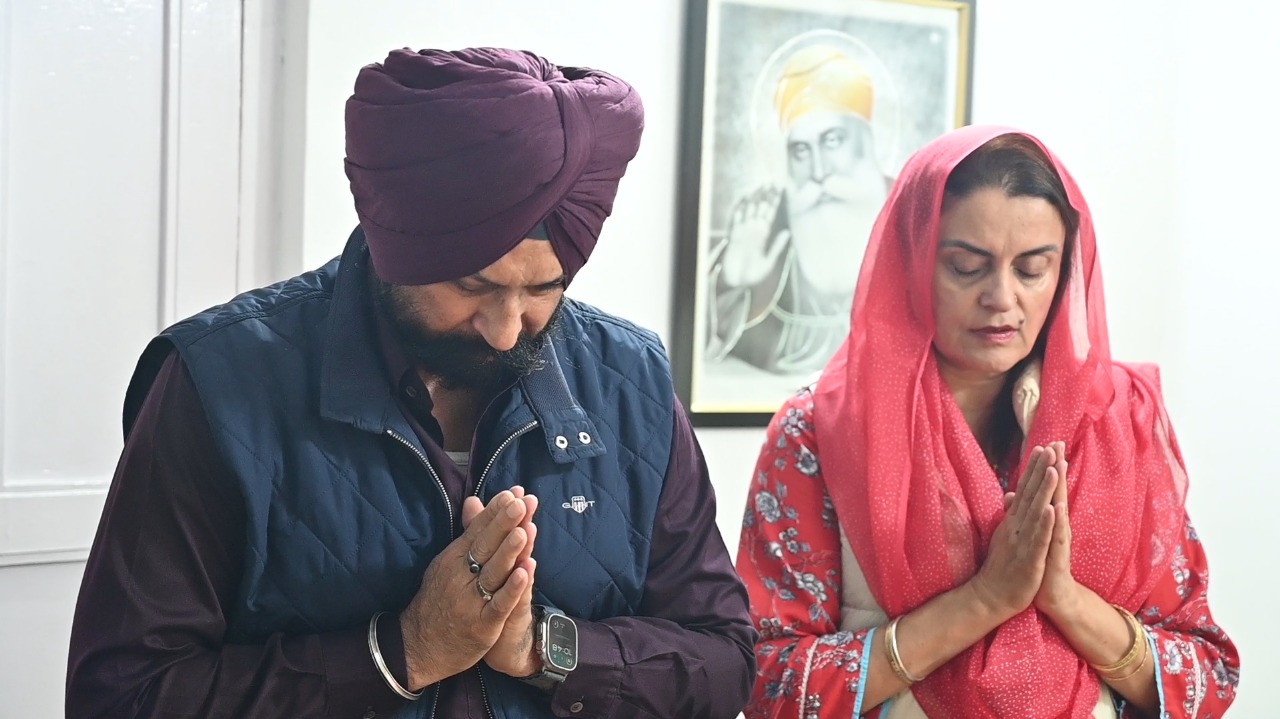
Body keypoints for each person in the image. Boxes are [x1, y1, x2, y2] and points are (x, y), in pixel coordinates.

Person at [66, 47, 755, 719]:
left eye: (546, 288)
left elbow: (725, 661)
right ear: (394, 242)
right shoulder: (218, 381)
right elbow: (121, 695)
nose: (506, 330)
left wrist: (547, 650)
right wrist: (402, 653)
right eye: (472, 286)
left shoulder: (630, 381)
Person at [735, 125, 1238, 717]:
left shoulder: (1120, 423)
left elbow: (1207, 674)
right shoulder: (822, 432)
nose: (1002, 297)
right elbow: (769, 680)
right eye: (967, 267)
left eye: (1032, 269)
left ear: (1065, 272)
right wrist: (984, 601)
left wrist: (1065, 600)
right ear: (911, 262)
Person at [708, 44, 890, 375]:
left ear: (866, 140)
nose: (818, 171)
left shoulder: (912, 220)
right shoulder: (764, 224)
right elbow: (706, 356)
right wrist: (733, 283)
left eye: (832, 141)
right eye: (802, 151)